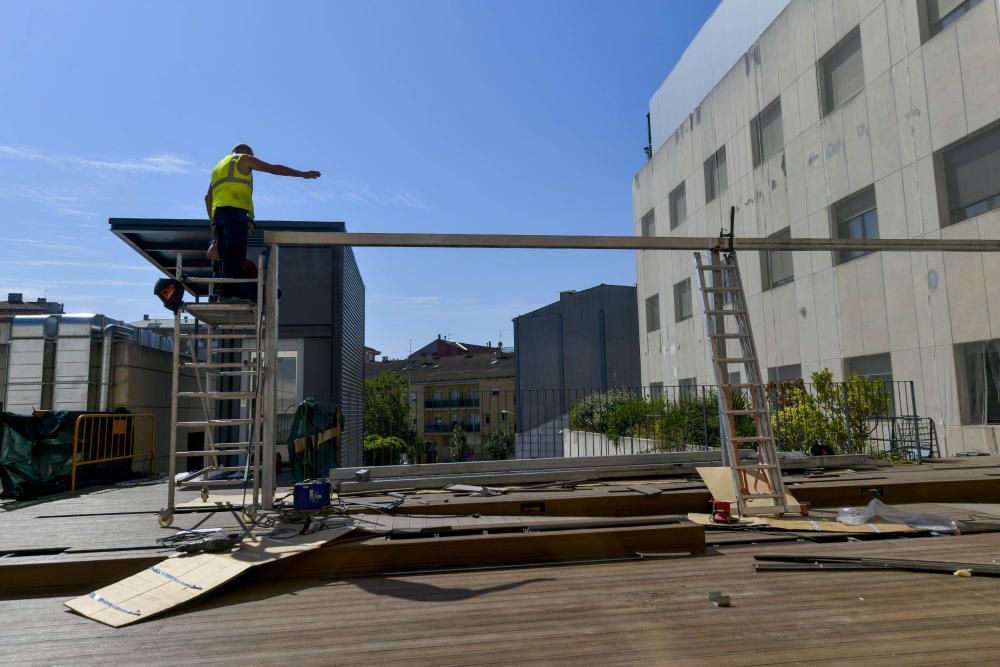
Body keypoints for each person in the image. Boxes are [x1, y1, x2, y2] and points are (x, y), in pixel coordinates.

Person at [205, 144, 320, 299]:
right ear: (247, 153)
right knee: (236, 251)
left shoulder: (218, 168)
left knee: (226, 254)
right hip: (235, 211)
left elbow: (208, 197)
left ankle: (227, 289)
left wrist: (213, 221)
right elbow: (273, 169)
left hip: (219, 214)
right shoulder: (243, 159)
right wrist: (302, 174)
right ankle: (231, 290)